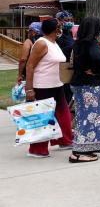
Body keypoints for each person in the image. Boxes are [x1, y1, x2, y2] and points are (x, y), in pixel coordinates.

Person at [24, 19, 73, 158]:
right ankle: (37, 149)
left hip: (57, 85)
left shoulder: (54, 43)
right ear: (54, 29)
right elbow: (30, 66)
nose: (61, 29)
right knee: (43, 118)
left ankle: (65, 140)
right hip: (42, 86)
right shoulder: (41, 43)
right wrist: (29, 89)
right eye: (59, 27)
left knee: (64, 115)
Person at [70, 17, 100, 162]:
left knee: (82, 117)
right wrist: (95, 68)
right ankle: (80, 152)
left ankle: (82, 148)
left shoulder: (78, 43)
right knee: (90, 118)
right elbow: (97, 58)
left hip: (79, 83)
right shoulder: (92, 43)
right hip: (91, 85)